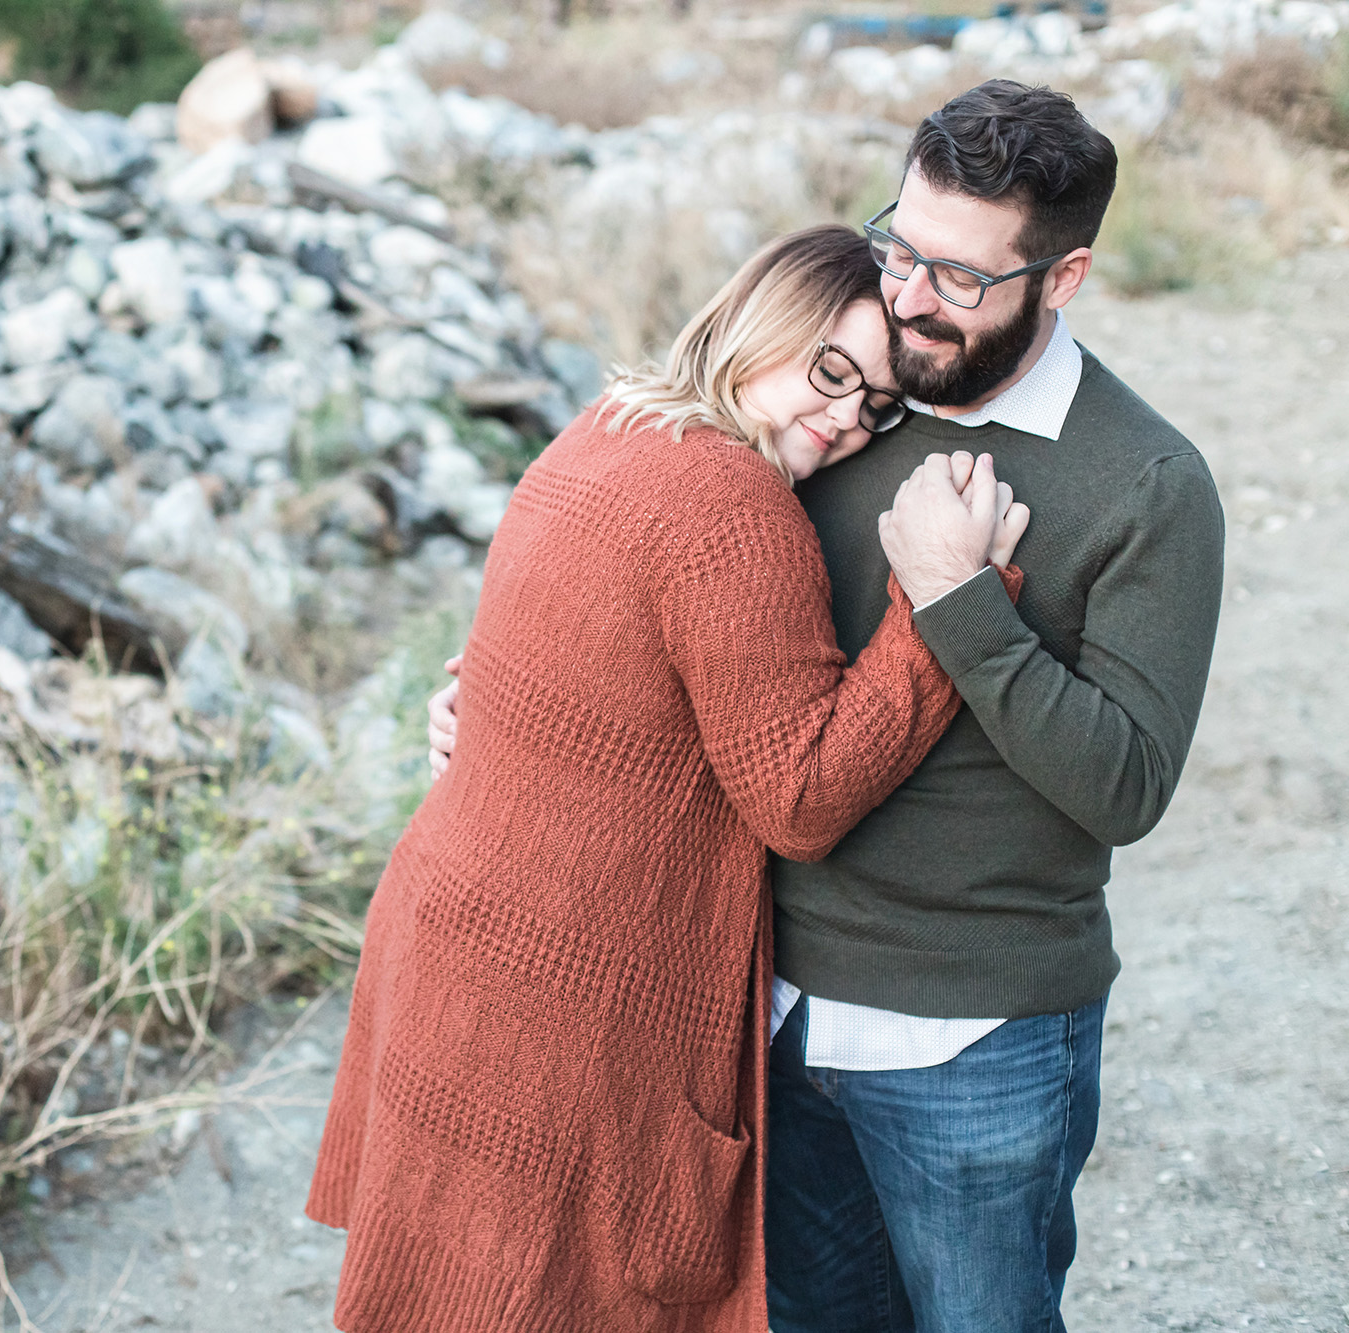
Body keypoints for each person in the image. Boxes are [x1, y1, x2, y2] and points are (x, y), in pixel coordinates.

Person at [427, 81, 1226, 1332]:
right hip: (762, 1007)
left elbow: (1125, 785)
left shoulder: (1146, 483)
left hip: (974, 1032)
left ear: (1060, 279)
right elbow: (689, 626)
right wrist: (520, 709)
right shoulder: (834, 400)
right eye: (899, 244)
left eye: (957, 278)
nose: (908, 295)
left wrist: (963, 604)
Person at [306, 224, 1027, 1333]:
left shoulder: (602, 429)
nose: (844, 418)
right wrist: (944, 603)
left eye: (876, 405)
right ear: (755, 323)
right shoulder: (734, 504)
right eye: (830, 372)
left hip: (448, 950)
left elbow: (566, 659)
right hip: (555, 1002)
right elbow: (800, 798)